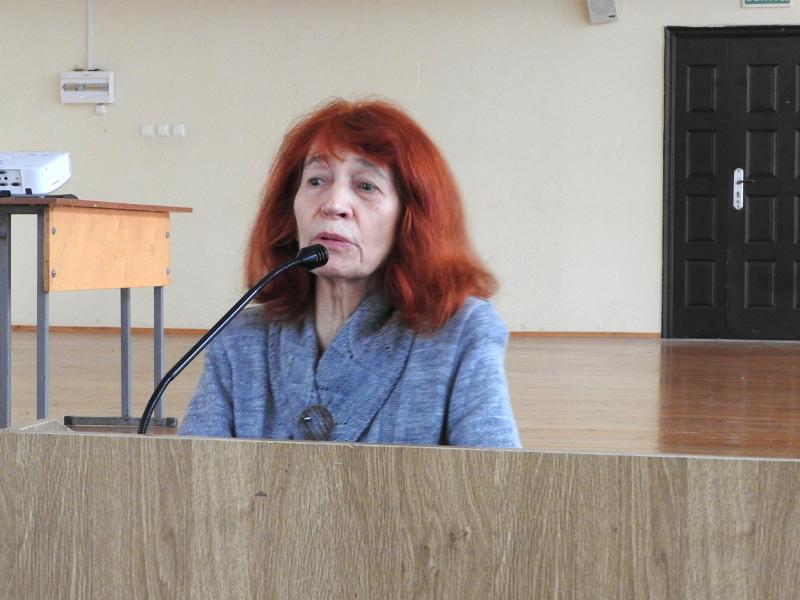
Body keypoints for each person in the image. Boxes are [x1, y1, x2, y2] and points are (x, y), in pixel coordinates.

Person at [179, 98, 521, 448]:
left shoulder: (462, 331)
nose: (334, 204)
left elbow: (494, 479)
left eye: (366, 186)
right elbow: (191, 475)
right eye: (316, 181)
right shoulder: (239, 339)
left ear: (411, 219)